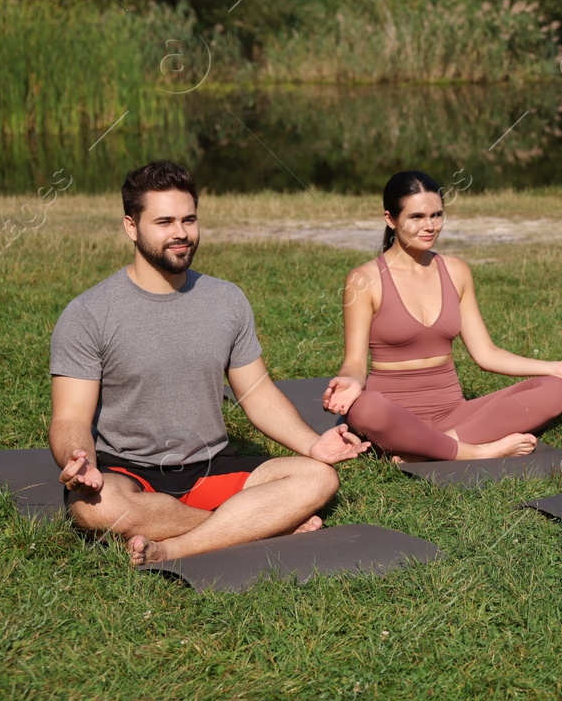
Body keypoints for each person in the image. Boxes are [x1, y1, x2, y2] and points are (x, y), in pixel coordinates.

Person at [49, 161, 370, 566]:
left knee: (318, 478)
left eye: (189, 219)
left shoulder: (226, 300)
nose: (180, 232)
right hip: (130, 471)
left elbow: (257, 393)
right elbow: (71, 417)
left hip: (211, 466)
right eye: (164, 221)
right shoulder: (89, 313)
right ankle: (249, 524)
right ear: (132, 226)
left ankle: (175, 546)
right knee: (94, 508)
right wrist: (79, 458)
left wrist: (312, 444)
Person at [322, 171, 562, 461]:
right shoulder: (365, 279)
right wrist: (350, 382)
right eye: (417, 217)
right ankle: (478, 451)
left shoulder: (457, 272)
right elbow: (355, 364)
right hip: (393, 414)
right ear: (390, 219)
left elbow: (486, 354)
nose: (430, 226)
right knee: (366, 409)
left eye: (437, 215)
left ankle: (430, 448)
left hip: (453, 414)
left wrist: (557, 368)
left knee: (554, 390)